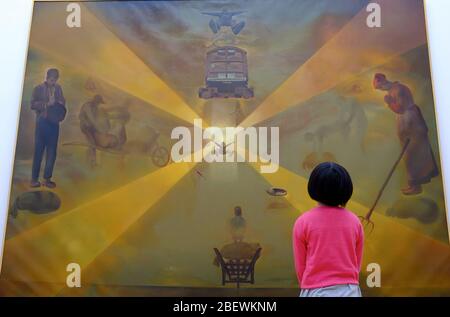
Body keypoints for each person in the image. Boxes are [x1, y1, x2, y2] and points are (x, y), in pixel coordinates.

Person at [293, 162, 364, 297]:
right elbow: (357, 263)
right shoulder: (355, 222)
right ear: (346, 189)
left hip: (314, 290)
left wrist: (308, 284)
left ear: (313, 187)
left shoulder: (302, 222)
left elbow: (300, 267)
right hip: (349, 290)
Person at [373, 73, 439, 195]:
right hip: (408, 125)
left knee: (413, 156)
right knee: (410, 156)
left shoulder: (398, 89)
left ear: (383, 81)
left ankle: (416, 186)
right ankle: (414, 185)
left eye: (380, 87)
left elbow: (400, 109)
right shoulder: (393, 90)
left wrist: (389, 102)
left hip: (412, 125)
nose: (381, 90)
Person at [30, 68, 66, 188]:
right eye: (51, 79)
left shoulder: (59, 88)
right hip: (42, 123)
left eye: (55, 80)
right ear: (47, 77)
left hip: (54, 124)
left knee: (52, 153)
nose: (53, 82)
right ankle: (34, 180)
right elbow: (32, 104)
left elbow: (63, 102)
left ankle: (47, 179)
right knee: (38, 151)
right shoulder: (38, 89)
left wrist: (58, 103)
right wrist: (46, 104)